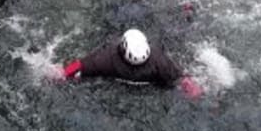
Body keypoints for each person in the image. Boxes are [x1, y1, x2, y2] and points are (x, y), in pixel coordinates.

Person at [59, 28, 202, 97]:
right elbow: (183, 81)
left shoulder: (106, 60)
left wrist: (60, 74)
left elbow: (78, 66)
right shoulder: (160, 61)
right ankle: (188, 9)